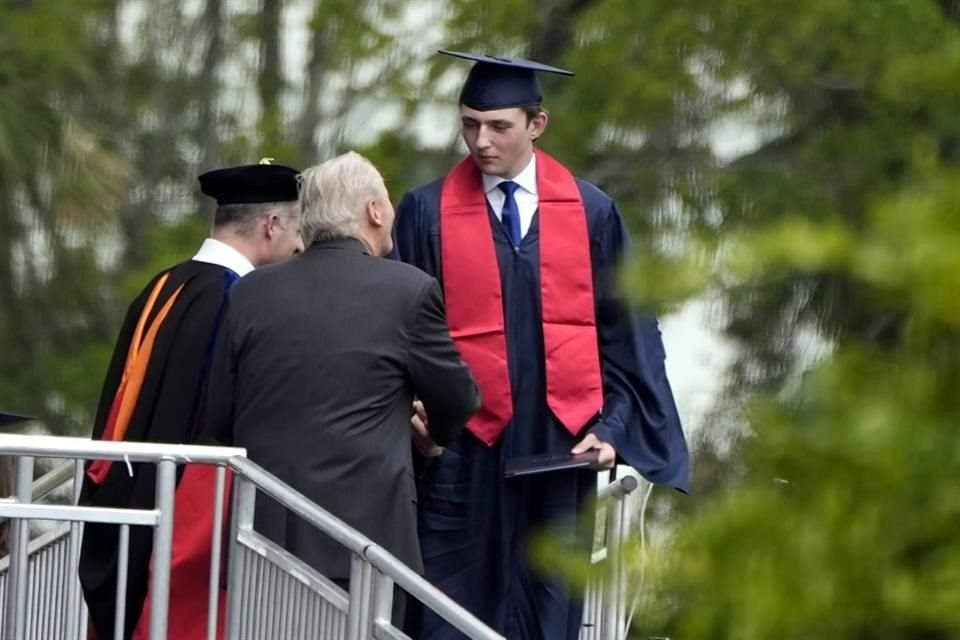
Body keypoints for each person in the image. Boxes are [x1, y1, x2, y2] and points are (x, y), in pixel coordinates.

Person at [391, 50, 690, 639]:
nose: (480, 141)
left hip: (560, 451)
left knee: (547, 618)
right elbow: (398, 334)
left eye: (498, 125)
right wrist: (410, 413)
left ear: (536, 124)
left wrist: (616, 428)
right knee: (448, 615)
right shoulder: (425, 213)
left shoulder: (592, 213)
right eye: (469, 123)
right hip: (459, 456)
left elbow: (628, 338)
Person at [201, 151, 480, 623]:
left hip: (262, 537)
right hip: (365, 545)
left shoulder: (249, 292)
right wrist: (434, 436)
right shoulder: (409, 291)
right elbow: (458, 398)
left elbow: (217, 417)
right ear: (374, 211)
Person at [78, 160, 304, 640]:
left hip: (127, 499)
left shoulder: (164, 285)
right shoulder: (238, 301)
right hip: (182, 520)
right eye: (298, 229)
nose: (301, 245)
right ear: (272, 225)